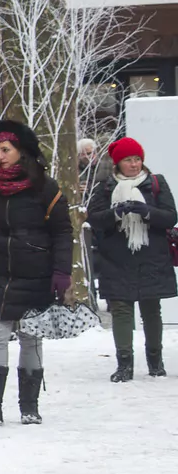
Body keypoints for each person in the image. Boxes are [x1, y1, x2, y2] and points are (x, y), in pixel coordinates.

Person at [0, 119, 75, 425]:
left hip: (36, 273)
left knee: (30, 338)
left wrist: (61, 272)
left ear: (20, 151)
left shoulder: (45, 188)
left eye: (5, 149)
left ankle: (29, 406)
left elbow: (63, 233)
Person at [85, 135, 177, 382]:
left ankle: (155, 361)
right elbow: (94, 218)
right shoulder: (105, 187)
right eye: (128, 160)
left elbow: (170, 216)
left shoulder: (156, 183)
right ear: (118, 163)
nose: (134, 164)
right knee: (122, 310)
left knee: (151, 310)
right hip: (117, 258)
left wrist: (147, 212)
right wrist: (115, 214)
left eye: (137, 159)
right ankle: (124, 364)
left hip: (152, 257)